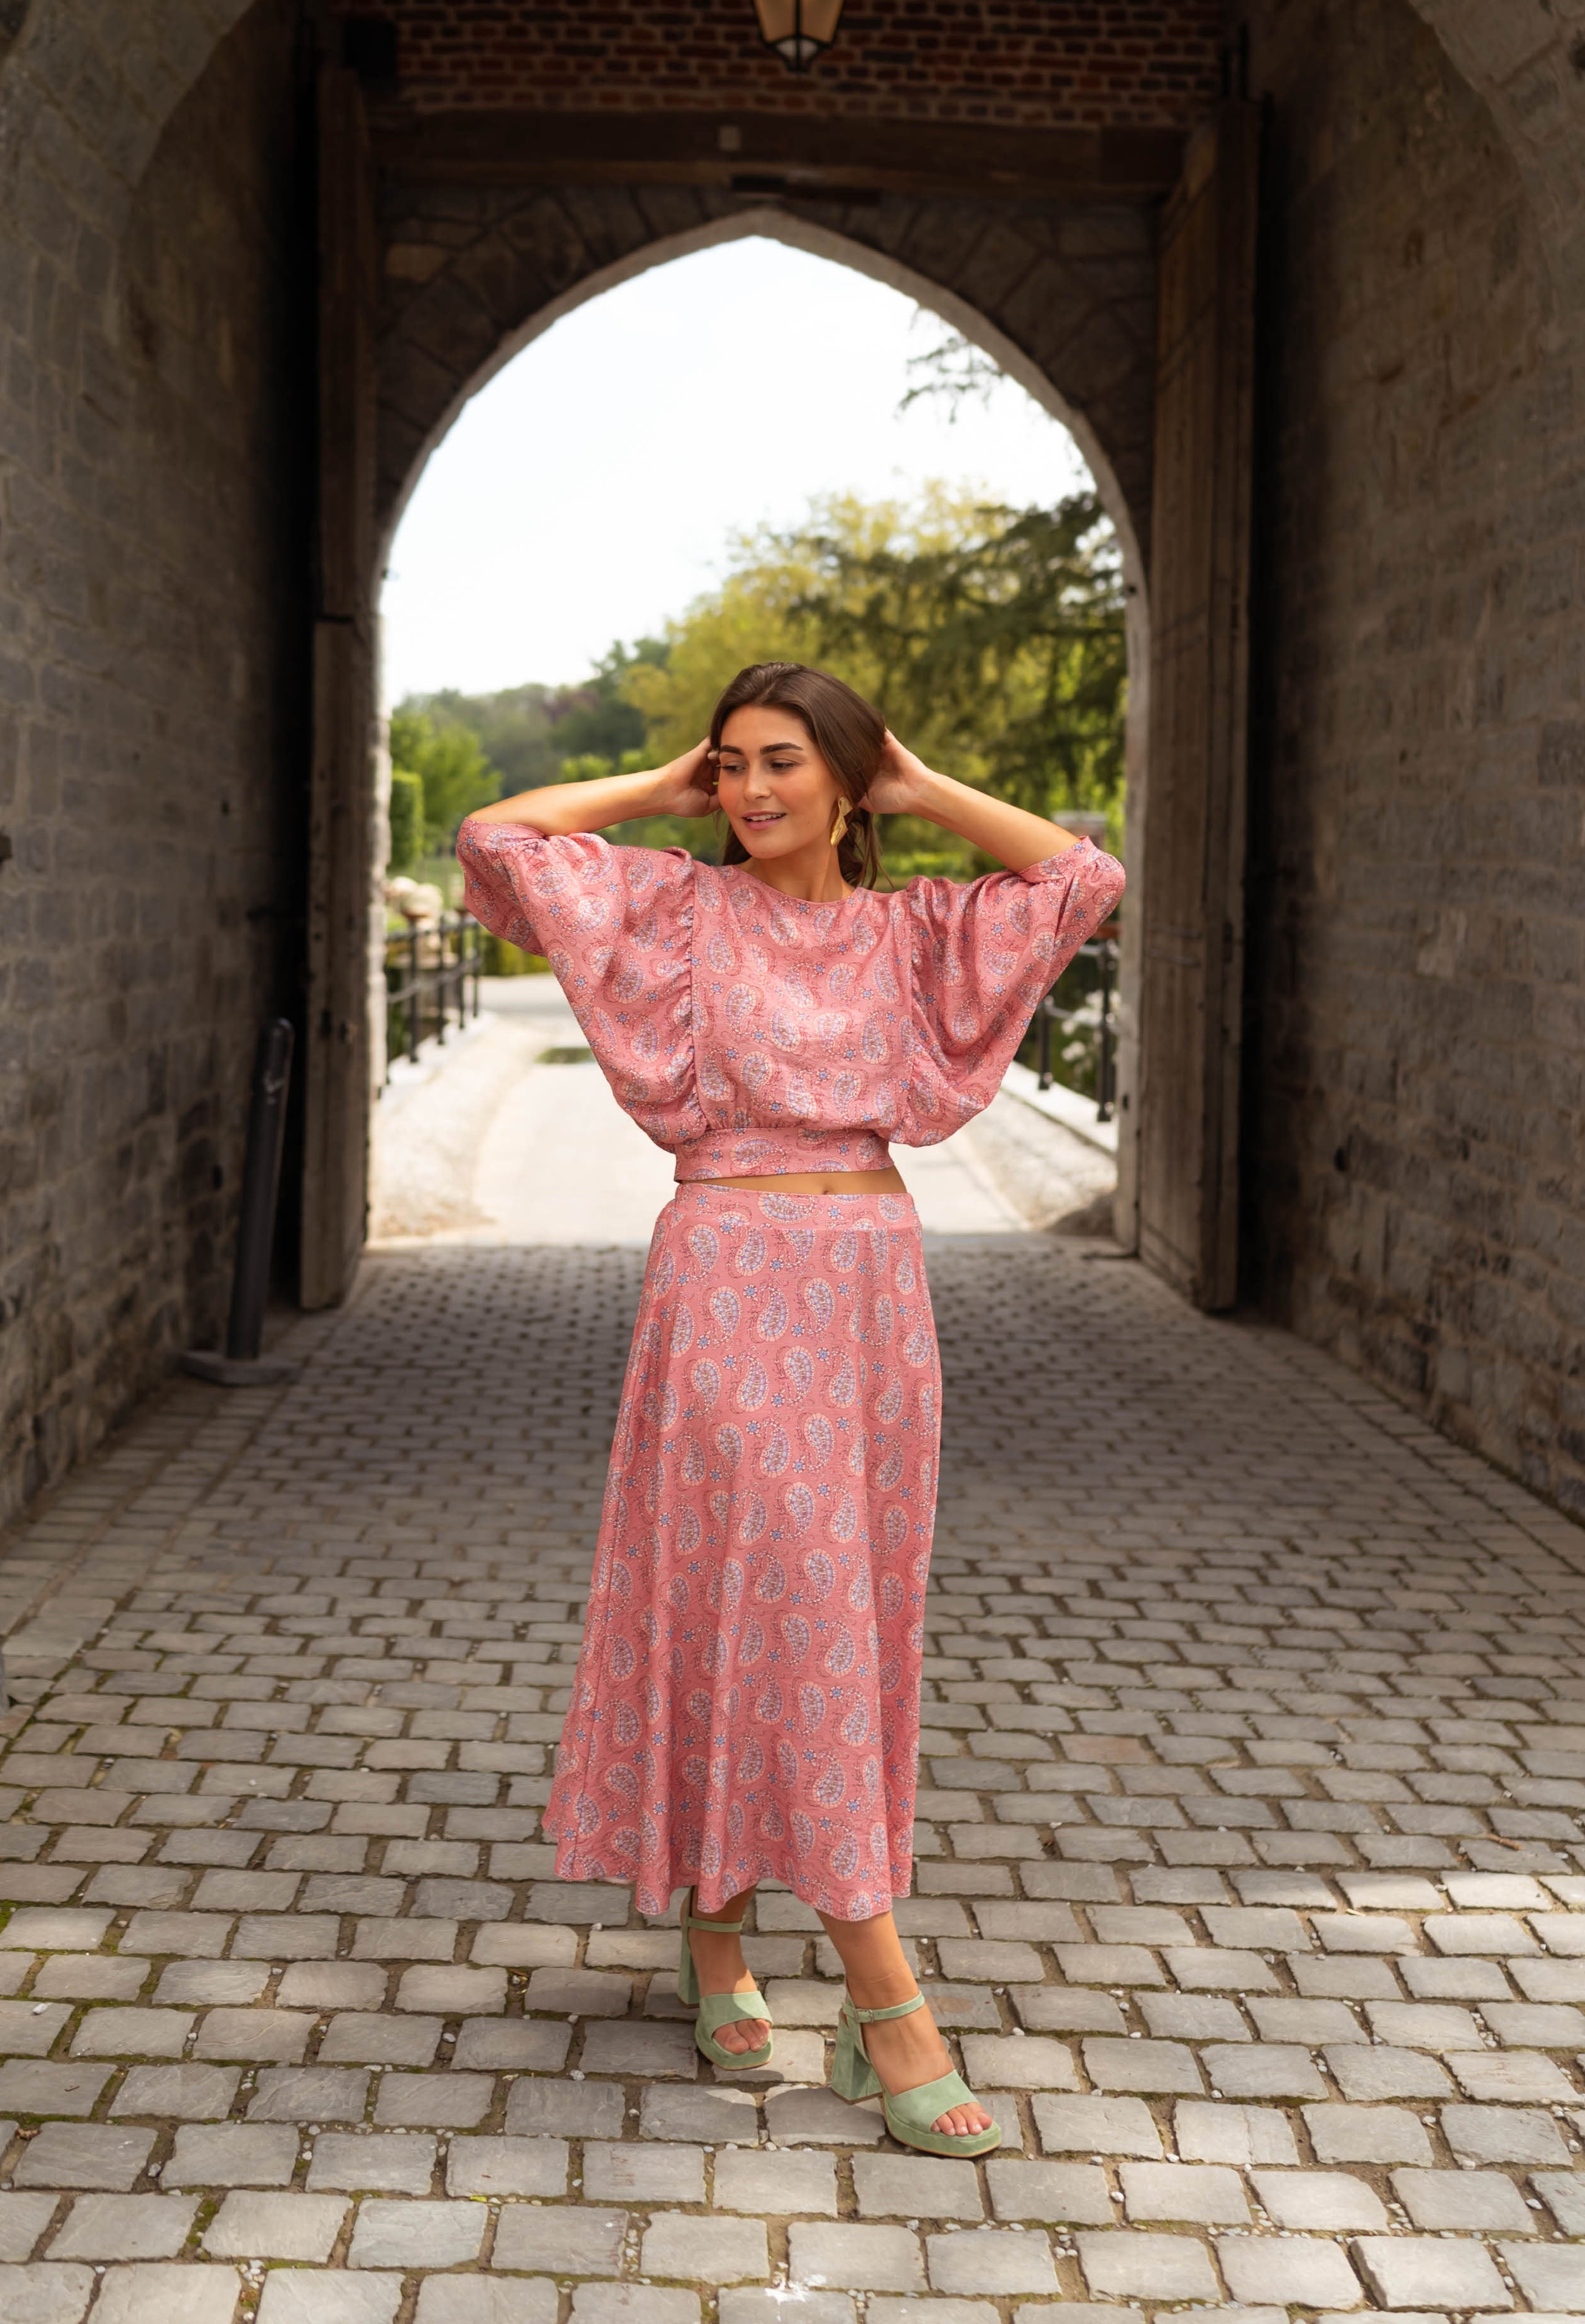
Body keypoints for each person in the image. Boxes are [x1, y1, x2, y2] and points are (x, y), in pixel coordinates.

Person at [457, 660, 1124, 2157]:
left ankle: (718, 1928)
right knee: (779, 1603)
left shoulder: (913, 932)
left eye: (783, 765)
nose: (754, 790)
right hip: (726, 1279)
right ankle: (886, 2000)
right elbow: (500, 841)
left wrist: (918, 780)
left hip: (870, 1294)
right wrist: (652, 789)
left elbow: (1087, 877)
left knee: (838, 1613)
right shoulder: (676, 911)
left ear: (842, 778)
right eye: (734, 765)